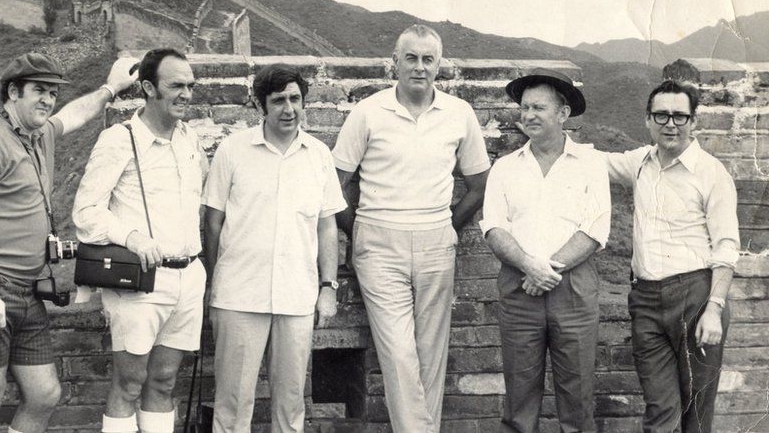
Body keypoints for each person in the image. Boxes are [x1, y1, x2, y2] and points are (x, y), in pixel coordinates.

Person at [0, 52, 135, 433]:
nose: (47, 100)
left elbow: (76, 114)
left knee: (44, 393)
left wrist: (111, 88)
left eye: (52, 92)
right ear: (13, 92)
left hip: (27, 291)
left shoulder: (37, 133)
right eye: (38, 91)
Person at [331, 24, 491, 433]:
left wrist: (447, 225)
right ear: (395, 63)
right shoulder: (368, 112)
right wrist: (360, 229)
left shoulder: (459, 114)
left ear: (439, 65)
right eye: (411, 58)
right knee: (399, 353)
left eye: (428, 60)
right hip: (378, 243)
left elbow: (479, 184)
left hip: (437, 240)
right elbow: (334, 185)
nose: (419, 68)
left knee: (430, 355)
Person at [203, 65, 346, 433]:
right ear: (260, 105)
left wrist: (327, 288)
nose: (288, 109)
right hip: (238, 295)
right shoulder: (233, 151)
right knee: (232, 404)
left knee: (291, 403)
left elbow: (326, 226)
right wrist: (212, 283)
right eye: (278, 100)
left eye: (295, 99)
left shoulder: (318, 155)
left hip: (297, 296)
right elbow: (213, 221)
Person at [72, 48, 208, 433]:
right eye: (176, 86)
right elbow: (85, 213)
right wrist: (130, 236)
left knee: (164, 381)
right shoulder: (120, 140)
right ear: (148, 88)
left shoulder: (189, 139)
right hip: (140, 280)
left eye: (190, 86)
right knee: (129, 383)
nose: (186, 94)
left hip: (187, 276)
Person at [600, 80, 739, 433]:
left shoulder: (711, 173)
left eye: (680, 116)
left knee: (695, 411)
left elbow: (726, 246)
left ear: (694, 121)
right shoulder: (639, 163)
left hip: (697, 297)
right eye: (661, 115)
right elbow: (592, 162)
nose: (670, 124)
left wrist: (714, 309)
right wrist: (549, 134)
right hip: (646, 300)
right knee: (660, 409)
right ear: (648, 120)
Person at [480, 69, 611, 433]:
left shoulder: (591, 164)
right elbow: (493, 226)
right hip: (520, 290)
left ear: (563, 114)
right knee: (519, 401)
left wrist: (546, 271)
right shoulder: (505, 168)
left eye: (539, 107)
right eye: (524, 108)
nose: (529, 115)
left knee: (578, 399)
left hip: (574, 291)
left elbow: (595, 229)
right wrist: (528, 266)